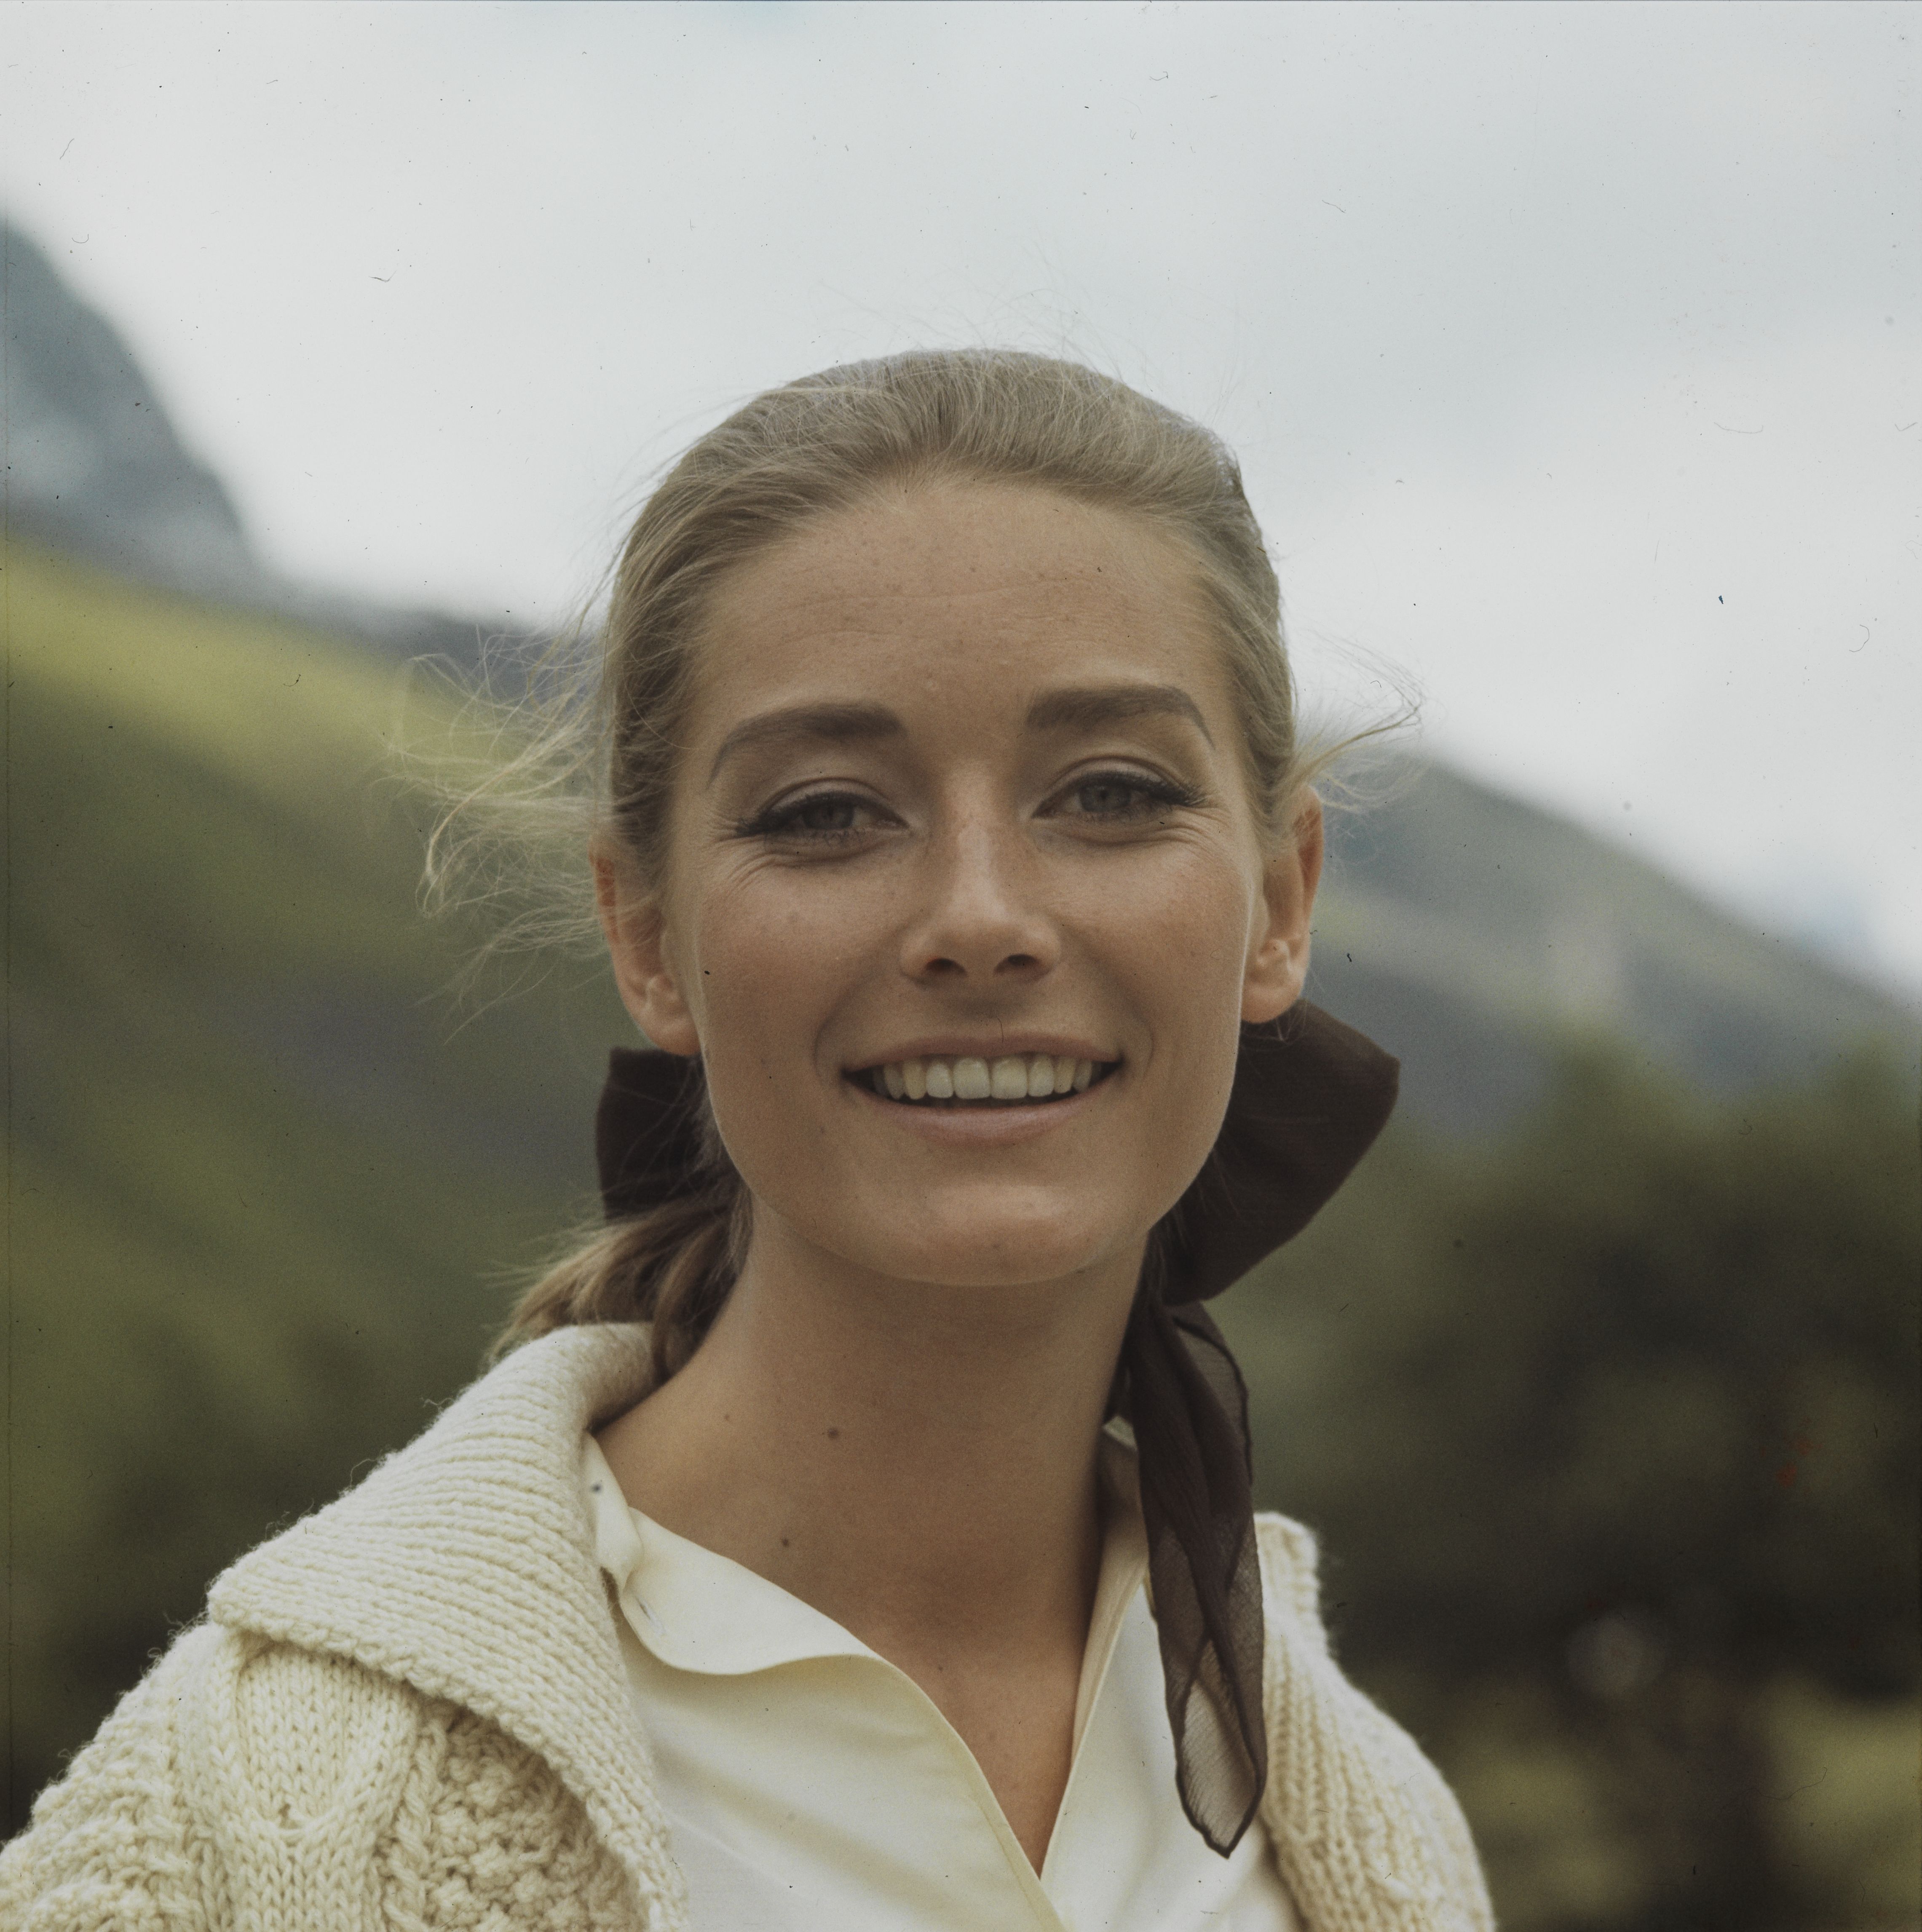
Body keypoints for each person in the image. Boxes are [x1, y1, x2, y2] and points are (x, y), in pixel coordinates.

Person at [0, 351, 1493, 1930]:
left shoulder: (1381, 1840)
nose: (980, 915)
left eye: (1111, 792)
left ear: (1282, 899)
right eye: (825, 811)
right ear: (646, 934)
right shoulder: (236, 1823)